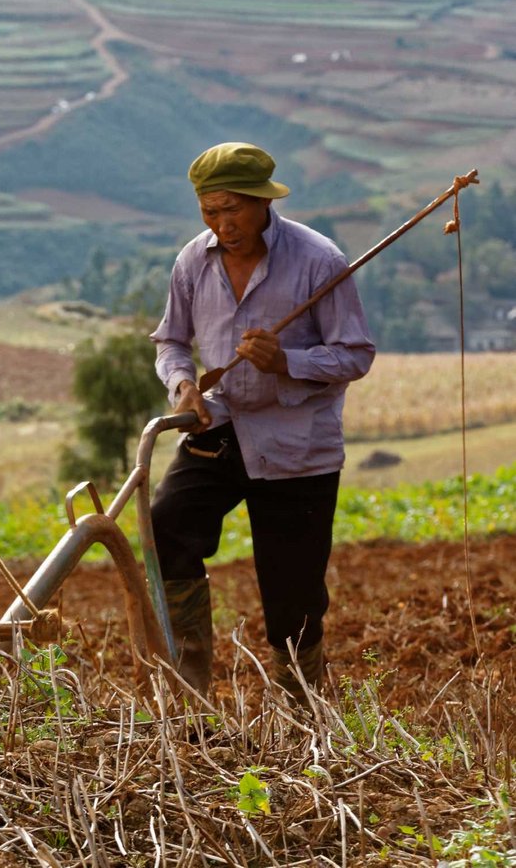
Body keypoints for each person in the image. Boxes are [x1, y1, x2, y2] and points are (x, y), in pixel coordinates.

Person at [150, 143, 374, 702]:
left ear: (262, 203)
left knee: (292, 593)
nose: (223, 225)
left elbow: (355, 354)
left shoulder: (319, 260)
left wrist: (288, 362)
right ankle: (189, 689)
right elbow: (171, 341)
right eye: (209, 211)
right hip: (219, 428)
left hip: (297, 444)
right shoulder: (191, 262)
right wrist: (182, 387)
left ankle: (300, 709)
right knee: (167, 524)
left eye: (234, 210)